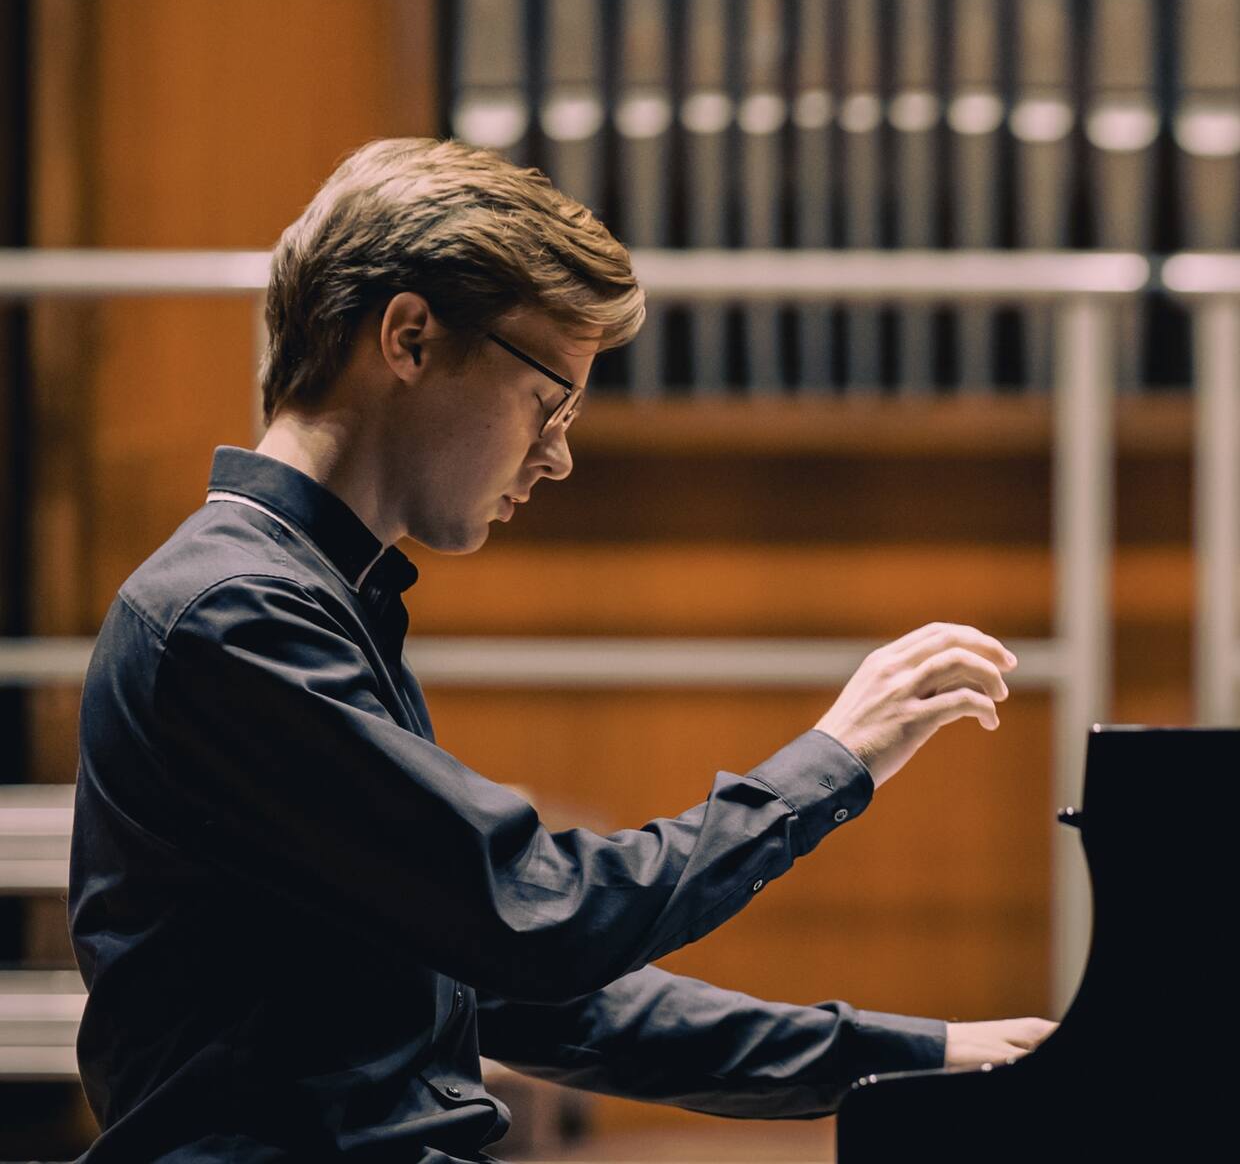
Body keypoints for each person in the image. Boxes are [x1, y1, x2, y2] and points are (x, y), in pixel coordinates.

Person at [70, 137, 1054, 1162]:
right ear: (407, 337)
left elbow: (542, 997)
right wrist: (830, 763)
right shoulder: (233, 618)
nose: (560, 452)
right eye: (549, 399)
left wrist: (918, 1053)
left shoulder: (316, 597)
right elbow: (539, 920)